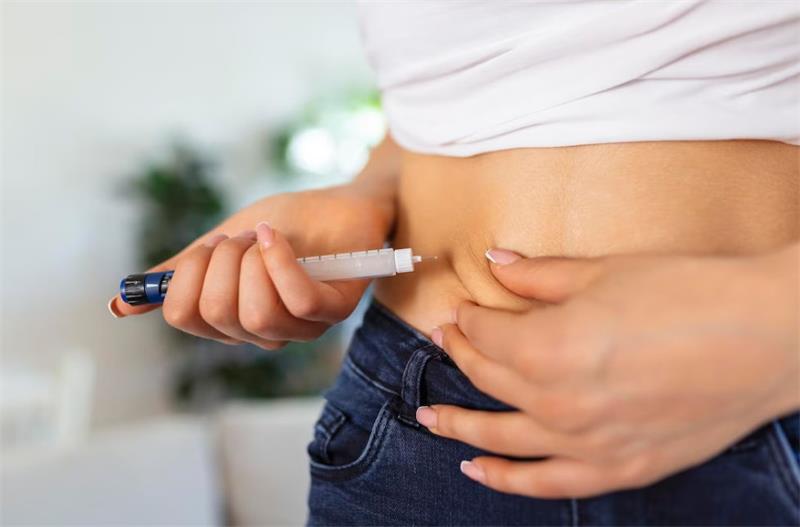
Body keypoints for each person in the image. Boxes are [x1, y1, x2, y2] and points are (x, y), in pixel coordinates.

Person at [109, 2, 800, 525]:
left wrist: (772, 331)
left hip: (752, 402)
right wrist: (366, 191)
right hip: (420, 425)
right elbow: (439, 98)